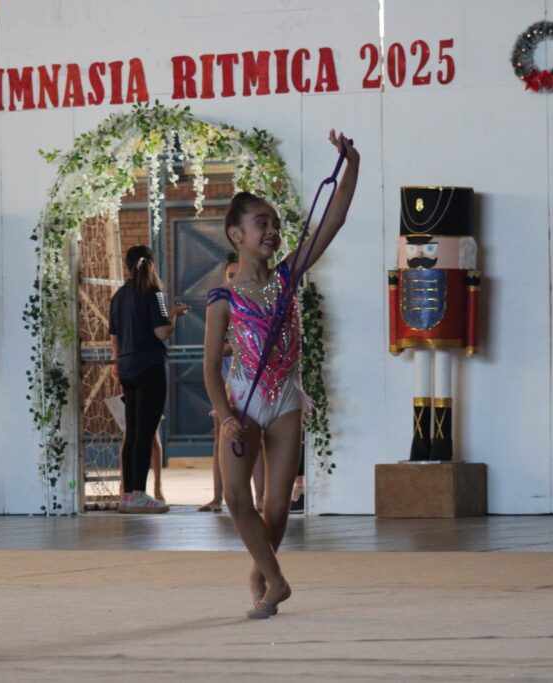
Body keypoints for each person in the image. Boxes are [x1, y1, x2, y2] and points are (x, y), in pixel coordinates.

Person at [203, 131, 359, 618]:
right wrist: (226, 415)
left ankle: (267, 577)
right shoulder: (222, 299)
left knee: (275, 505)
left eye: (275, 223)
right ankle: (274, 578)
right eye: (261, 223)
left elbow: (333, 220)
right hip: (243, 403)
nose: (272, 231)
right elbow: (209, 368)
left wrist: (351, 162)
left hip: (286, 399)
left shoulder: (288, 277)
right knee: (235, 497)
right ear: (236, 235)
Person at [110, 245, 188, 514]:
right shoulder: (157, 294)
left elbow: (114, 337)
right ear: (152, 264)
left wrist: (119, 364)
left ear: (128, 266)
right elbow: (162, 332)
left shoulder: (118, 297)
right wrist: (174, 316)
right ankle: (140, 494)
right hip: (150, 368)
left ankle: (127, 494)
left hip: (127, 368)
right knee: (146, 433)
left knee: (132, 433)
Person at [199, 253, 266, 513]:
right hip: (227, 375)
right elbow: (214, 353)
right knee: (222, 436)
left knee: (255, 437)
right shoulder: (222, 304)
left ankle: (261, 497)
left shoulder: (257, 303)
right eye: (230, 274)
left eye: (239, 273)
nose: (235, 278)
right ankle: (218, 497)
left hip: (252, 376)